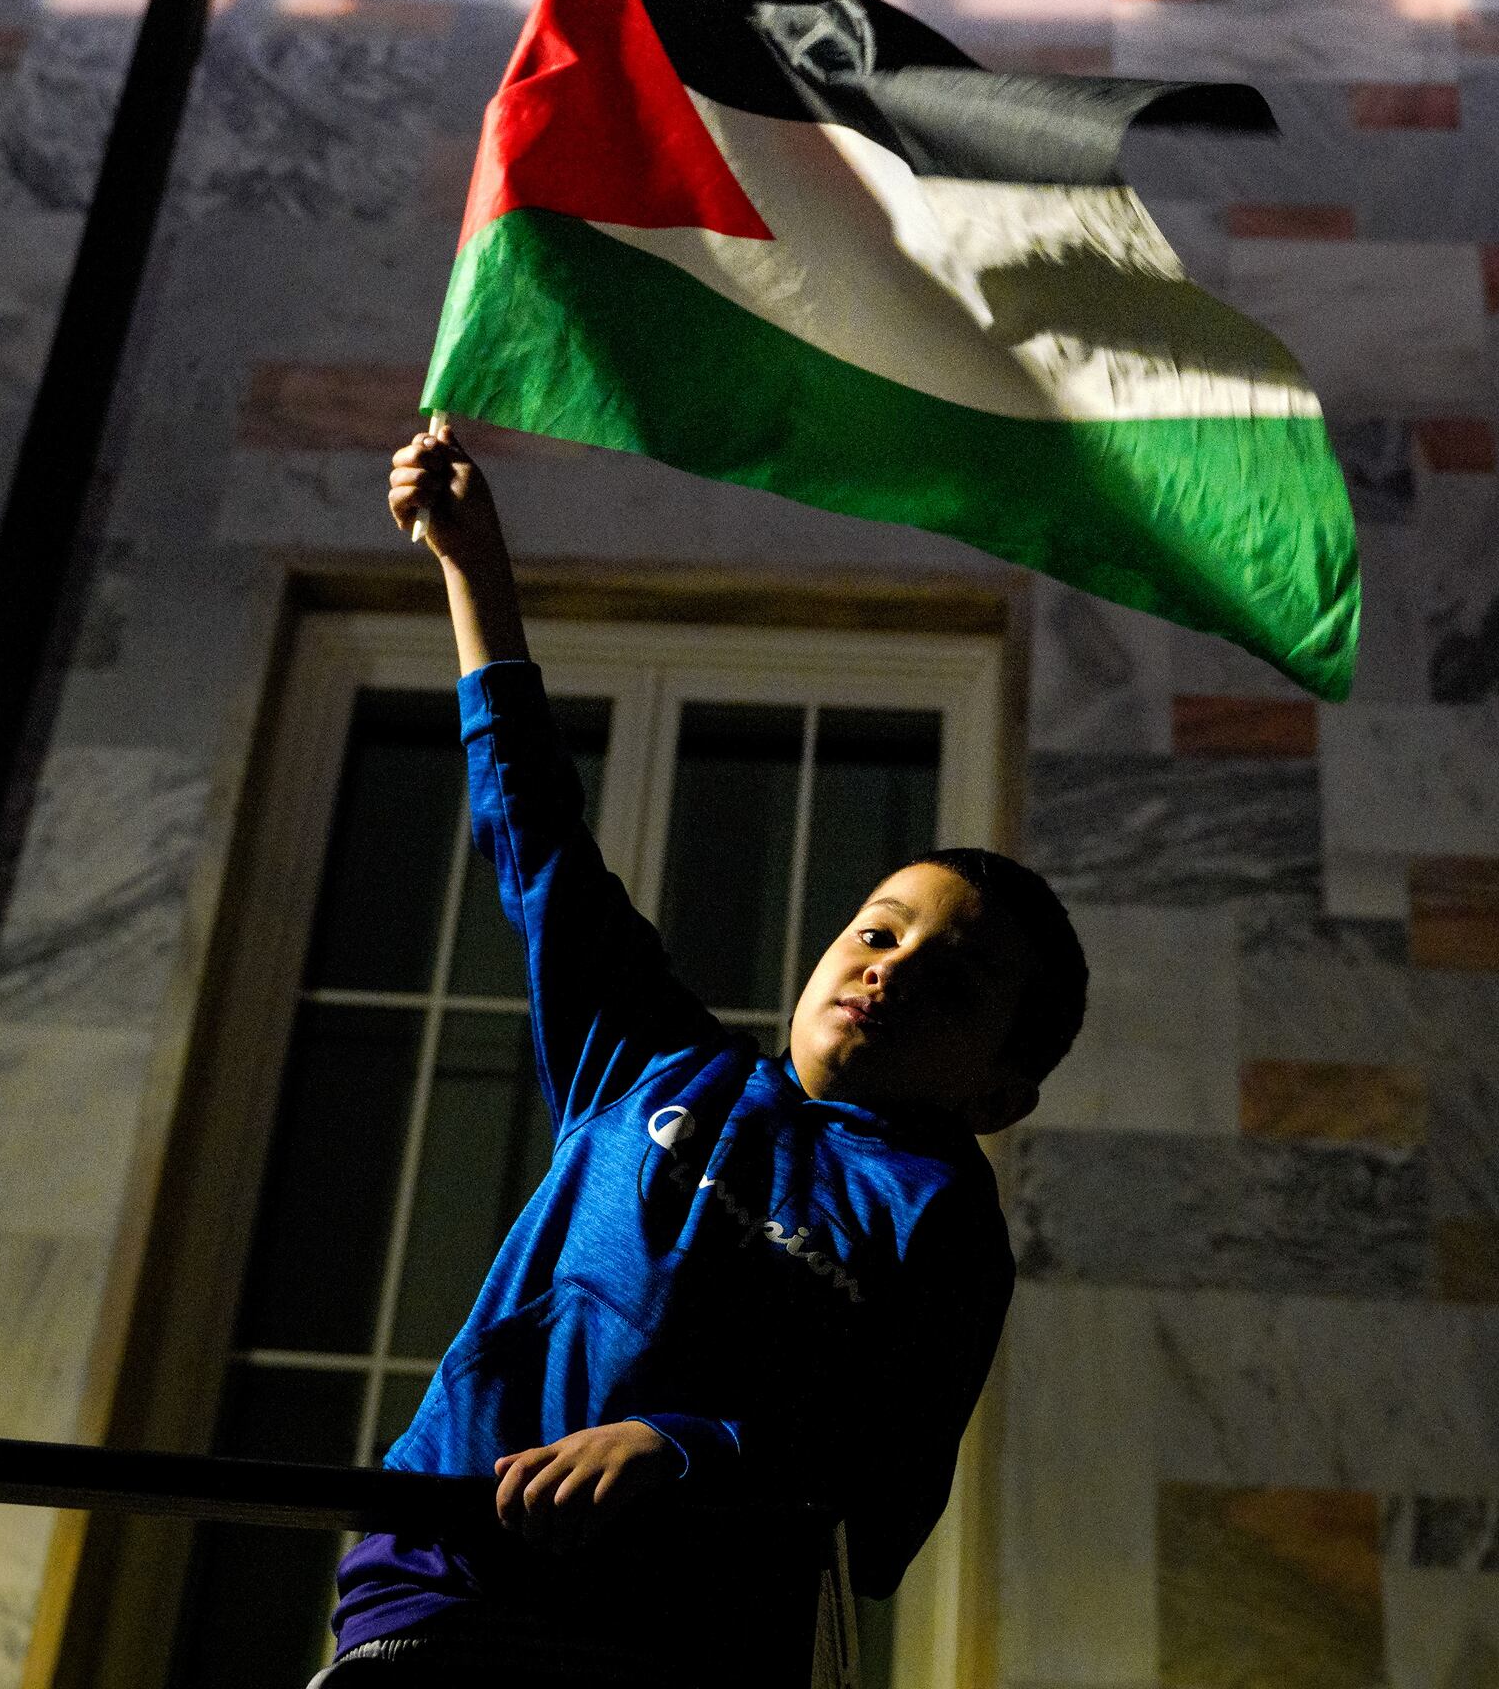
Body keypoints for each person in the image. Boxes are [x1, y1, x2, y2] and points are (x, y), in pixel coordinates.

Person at [312, 421, 1090, 1687]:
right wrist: (472, 570)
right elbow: (538, 834)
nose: (889, 966)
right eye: (877, 930)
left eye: (951, 984)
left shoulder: (938, 1214)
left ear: (999, 1091)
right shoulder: (651, 1065)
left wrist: (687, 1449)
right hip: (444, 1585)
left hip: (683, 1642)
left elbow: (885, 1497)